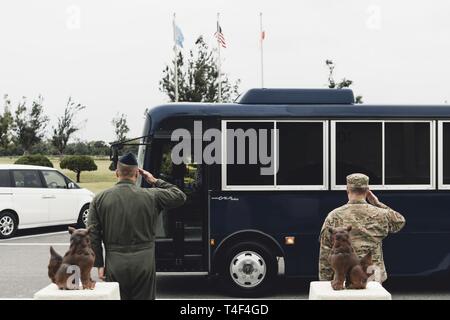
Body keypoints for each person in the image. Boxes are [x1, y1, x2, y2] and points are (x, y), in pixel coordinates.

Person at [87, 152, 187, 300]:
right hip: (144, 262)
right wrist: (154, 180)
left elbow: (92, 234)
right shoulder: (151, 195)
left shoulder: (99, 199)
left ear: (116, 173)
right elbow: (180, 196)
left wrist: (99, 264)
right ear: (137, 174)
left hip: (115, 262)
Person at [318, 173, 406, 283]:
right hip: (372, 273)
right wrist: (377, 203)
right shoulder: (381, 214)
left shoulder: (334, 215)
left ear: (347, 189)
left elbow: (325, 250)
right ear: (368, 190)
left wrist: (325, 280)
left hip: (344, 274)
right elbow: (399, 221)